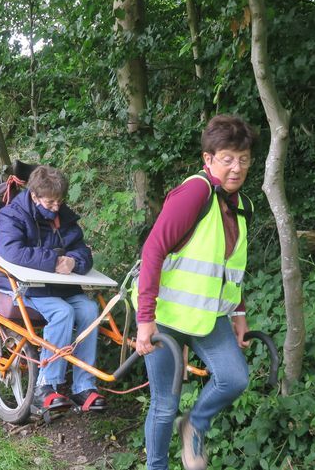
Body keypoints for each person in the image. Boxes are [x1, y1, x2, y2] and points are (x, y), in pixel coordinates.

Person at [135, 114, 256, 470]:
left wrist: (238, 313)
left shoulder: (242, 205)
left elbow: (228, 268)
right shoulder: (196, 192)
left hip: (208, 316)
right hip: (165, 317)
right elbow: (152, 251)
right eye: (228, 158)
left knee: (234, 378)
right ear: (208, 159)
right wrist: (146, 320)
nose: (237, 168)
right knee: (164, 404)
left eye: (244, 159)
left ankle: (195, 424)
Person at [0, 165, 106, 413]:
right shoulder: (12, 214)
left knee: (89, 309)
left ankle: (83, 386)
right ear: (34, 195)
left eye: (60, 201)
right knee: (62, 312)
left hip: (58, 287)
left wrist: (74, 261)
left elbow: (83, 251)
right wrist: (54, 260)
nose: (56, 207)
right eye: (51, 202)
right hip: (23, 287)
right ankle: (46, 385)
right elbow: (11, 251)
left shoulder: (63, 216)